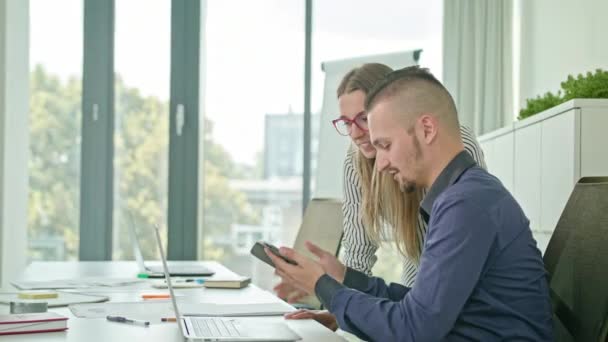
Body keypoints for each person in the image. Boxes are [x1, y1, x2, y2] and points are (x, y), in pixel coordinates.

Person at [267, 66, 553, 341]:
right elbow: (420, 307)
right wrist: (346, 285)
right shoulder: (462, 195)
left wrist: (323, 287)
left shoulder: (465, 204)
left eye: (386, 145)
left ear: (427, 129)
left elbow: (414, 330)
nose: (379, 164)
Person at [274, 63, 486, 308]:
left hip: (461, 277)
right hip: (417, 276)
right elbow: (357, 255)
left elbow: (467, 239)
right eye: (346, 122)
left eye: (363, 118)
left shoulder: (451, 146)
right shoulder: (356, 163)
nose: (355, 133)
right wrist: (338, 309)